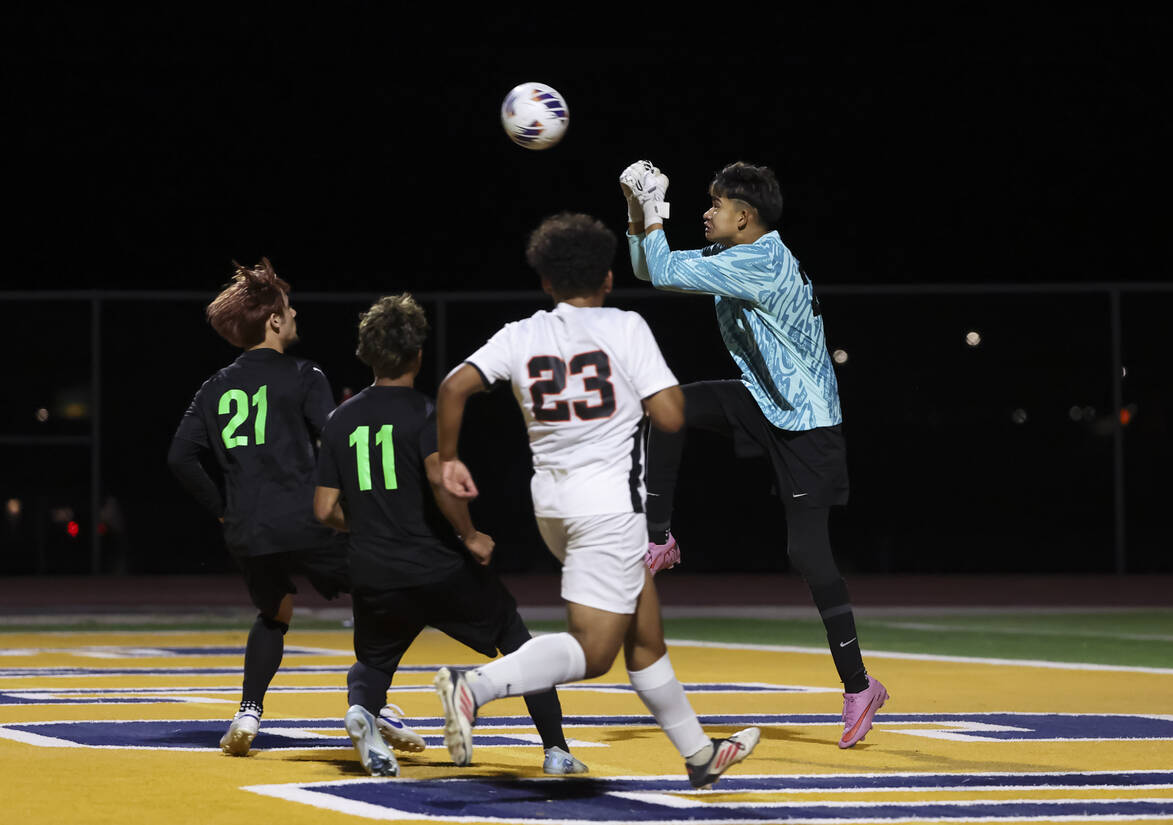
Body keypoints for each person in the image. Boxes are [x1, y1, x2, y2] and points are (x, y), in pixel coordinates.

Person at [433, 212, 759, 790]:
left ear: (546, 281)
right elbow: (671, 416)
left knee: (645, 637)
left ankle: (699, 754)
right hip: (608, 508)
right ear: (608, 277)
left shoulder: (519, 334)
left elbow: (453, 387)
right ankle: (474, 687)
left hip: (552, 508)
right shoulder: (624, 325)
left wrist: (450, 458)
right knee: (595, 651)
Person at [619, 159, 889, 748]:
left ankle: (860, 686)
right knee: (668, 405)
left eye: (715, 205)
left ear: (744, 217)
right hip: (764, 398)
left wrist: (652, 207)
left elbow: (662, 270)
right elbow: (650, 267)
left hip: (807, 422)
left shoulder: (759, 261)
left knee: (807, 553)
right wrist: (640, 211)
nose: (706, 213)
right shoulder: (738, 252)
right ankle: (660, 539)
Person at [313, 293, 586, 778]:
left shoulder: (339, 420)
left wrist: (371, 525)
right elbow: (441, 481)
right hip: (435, 565)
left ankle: (363, 714)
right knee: (519, 642)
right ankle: (556, 750)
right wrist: (470, 534)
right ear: (418, 354)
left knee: (373, 665)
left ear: (366, 353)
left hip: (374, 570)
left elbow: (324, 510)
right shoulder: (425, 412)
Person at [167, 258, 357, 756]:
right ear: (273, 320)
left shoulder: (213, 387)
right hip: (304, 519)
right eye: (289, 310)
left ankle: (249, 710)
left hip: (247, 529)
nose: (294, 316)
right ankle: (373, 703)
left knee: (274, 612)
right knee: (383, 587)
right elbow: (335, 442)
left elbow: (180, 457)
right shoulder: (305, 373)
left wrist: (222, 509)